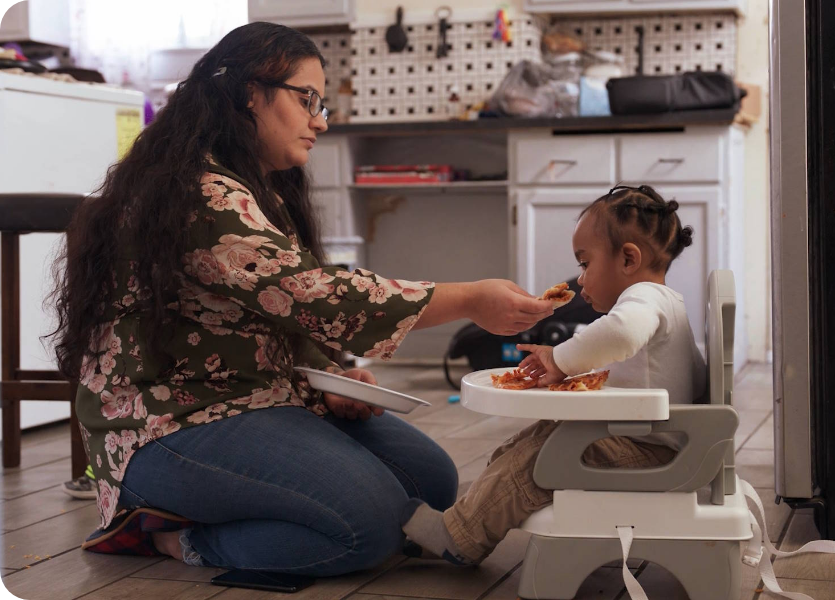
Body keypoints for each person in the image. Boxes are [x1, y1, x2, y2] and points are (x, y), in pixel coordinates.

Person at [49, 22, 554, 576]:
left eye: (321, 103)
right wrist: (467, 299)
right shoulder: (198, 194)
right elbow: (318, 298)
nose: (320, 119)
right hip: (167, 425)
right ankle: (169, 537)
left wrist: (323, 376)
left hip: (255, 400)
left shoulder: (254, 189)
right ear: (248, 93)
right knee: (372, 524)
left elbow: (270, 312)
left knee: (431, 482)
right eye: (306, 98)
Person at [401, 184, 706, 566]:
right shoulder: (669, 303)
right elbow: (691, 374)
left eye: (585, 263)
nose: (580, 279)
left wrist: (559, 360)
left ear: (628, 259)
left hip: (645, 453)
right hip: (644, 444)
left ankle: (460, 538)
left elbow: (621, 333)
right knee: (534, 439)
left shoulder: (643, 298)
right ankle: (471, 512)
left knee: (539, 458)